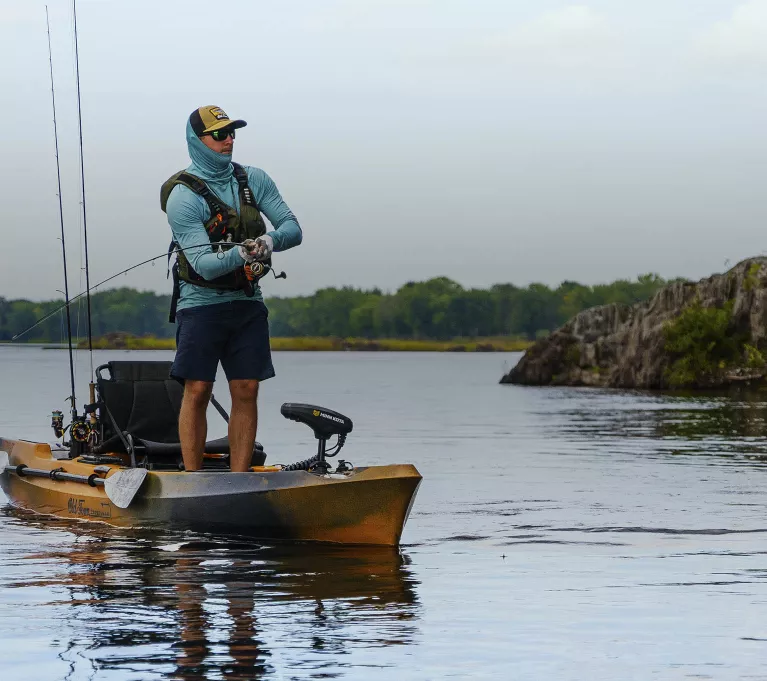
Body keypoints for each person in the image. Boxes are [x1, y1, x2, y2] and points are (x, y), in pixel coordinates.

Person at [161, 105, 302, 472]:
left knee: (246, 390)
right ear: (198, 140)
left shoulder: (254, 179)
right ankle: (192, 481)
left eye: (232, 132)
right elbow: (206, 266)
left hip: (247, 304)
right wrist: (243, 251)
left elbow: (292, 227)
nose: (229, 140)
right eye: (219, 134)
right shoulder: (182, 196)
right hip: (200, 306)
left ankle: (238, 479)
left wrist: (269, 242)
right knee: (198, 391)